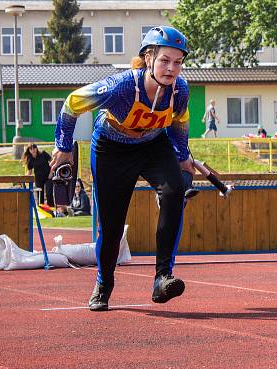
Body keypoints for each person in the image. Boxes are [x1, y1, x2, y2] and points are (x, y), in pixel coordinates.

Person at [52, 25, 194, 311]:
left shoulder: (179, 89)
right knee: (112, 225)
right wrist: (64, 146)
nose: (171, 69)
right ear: (149, 58)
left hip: (153, 145)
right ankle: (104, 284)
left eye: (178, 62)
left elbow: (180, 120)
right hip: (111, 149)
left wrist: (182, 154)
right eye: (165, 60)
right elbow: (72, 103)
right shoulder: (122, 86)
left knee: (174, 191)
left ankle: (162, 279)